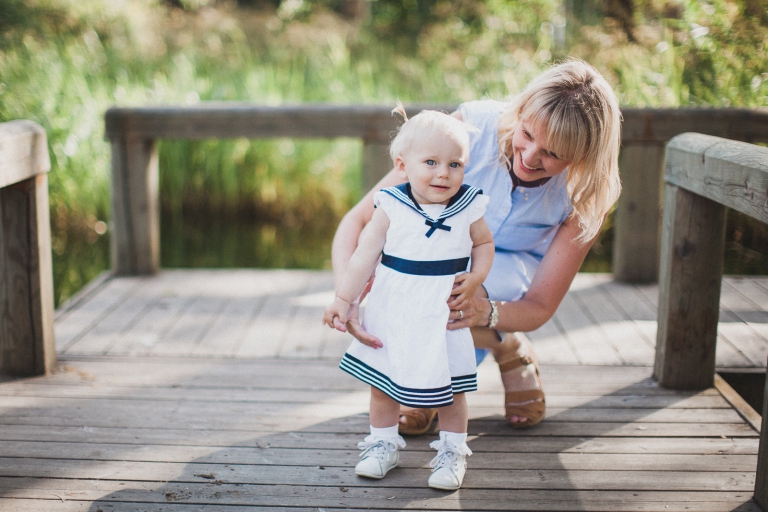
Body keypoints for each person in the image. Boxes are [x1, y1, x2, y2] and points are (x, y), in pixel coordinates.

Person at [330, 59, 622, 433]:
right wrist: (348, 295)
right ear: (520, 113)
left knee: (446, 295)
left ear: (583, 157)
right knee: (399, 295)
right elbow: (357, 221)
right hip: (434, 251)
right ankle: (504, 349)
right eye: (527, 134)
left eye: (553, 154)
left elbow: (540, 307)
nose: (530, 158)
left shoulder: (586, 193)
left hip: (508, 272)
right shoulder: (471, 129)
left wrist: (488, 312)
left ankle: (454, 376)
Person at [322, 105, 494, 490]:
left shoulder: (468, 206)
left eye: (455, 164)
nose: (443, 173)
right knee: (383, 385)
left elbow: (484, 244)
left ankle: (451, 452)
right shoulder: (390, 205)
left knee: (451, 391)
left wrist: (477, 276)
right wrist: (342, 299)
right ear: (402, 165)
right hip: (394, 309)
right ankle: (382, 445)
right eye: (431, 162)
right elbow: (364, 257)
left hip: (443, 311)